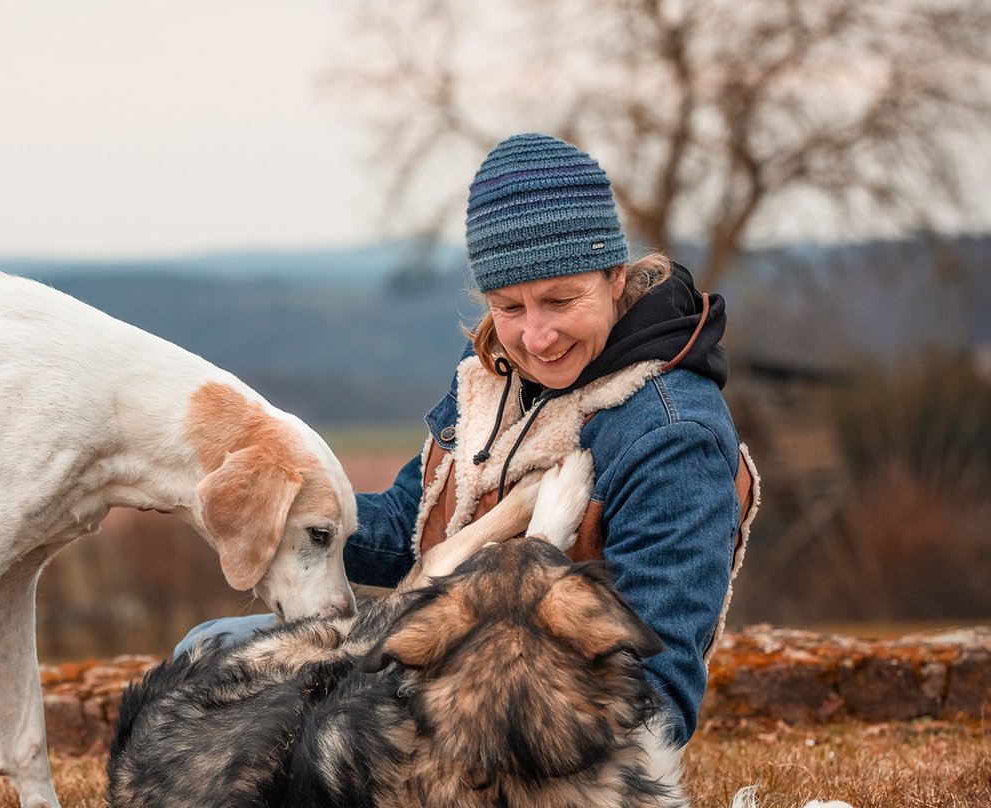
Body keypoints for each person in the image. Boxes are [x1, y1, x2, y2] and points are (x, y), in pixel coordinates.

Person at [178, 132, 755, 745]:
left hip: (521, 717)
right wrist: (282, 512)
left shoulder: (670, 435)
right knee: (206, 650)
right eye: (509, 307)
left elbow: (655, 698)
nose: (536, 337)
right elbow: (411, 523)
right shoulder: (490, 374)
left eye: (561, 299)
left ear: (615, 277)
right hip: (423, 644)